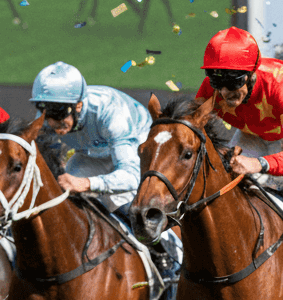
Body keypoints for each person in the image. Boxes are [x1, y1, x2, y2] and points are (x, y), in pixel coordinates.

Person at [31, 61, 173, 278]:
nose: (52, 121)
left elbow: (131, 176)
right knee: (60, 198)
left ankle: (163, 254)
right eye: (45, 111)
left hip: (136, 149)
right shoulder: (48, 120)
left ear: (78, 105)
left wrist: (87, 183)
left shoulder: (110, 113)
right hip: (92, 152)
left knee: (119, 200)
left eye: (59, 112)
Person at [194, 26, 283, 181]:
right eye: (217, 83)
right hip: (252, 136)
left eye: (231, 83)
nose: (224, 93)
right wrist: (218, 149)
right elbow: (189, 128)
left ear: (251, 74)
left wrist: (259, 163)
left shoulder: (278, 88)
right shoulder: (210, 89)